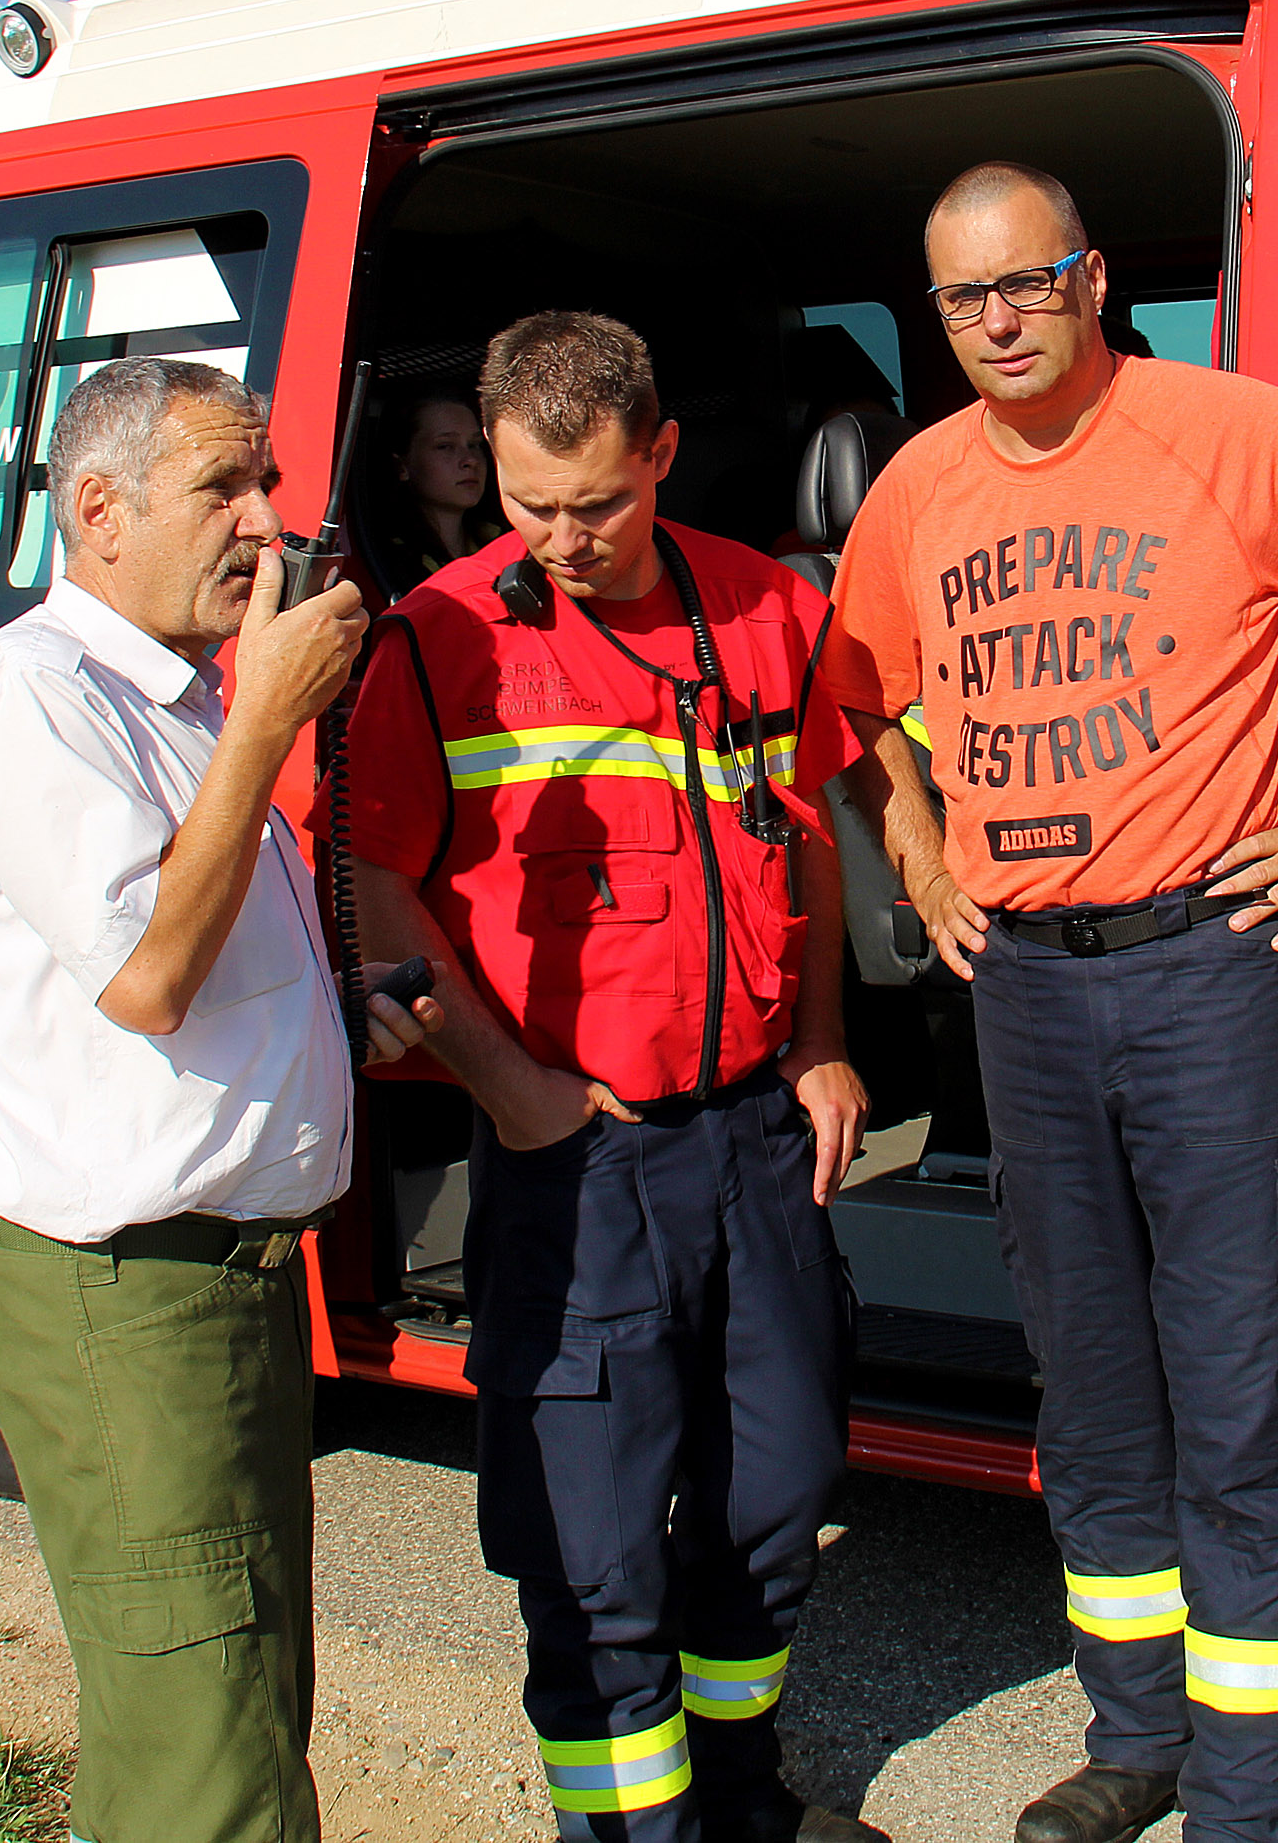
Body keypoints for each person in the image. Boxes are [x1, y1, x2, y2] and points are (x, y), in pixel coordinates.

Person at [821, 164, 1278, 1843]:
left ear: (1092, 277)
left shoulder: (1235, 432)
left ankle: (1265, 1804)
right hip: (1030, 995)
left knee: (1243, 1381)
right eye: (964, 297)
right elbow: (843, 708)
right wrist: (923, 864)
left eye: (1028, 280)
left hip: (1209, 970)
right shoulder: (919, 486)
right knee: (1093, 1384)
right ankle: (1138, 1734)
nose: (999, 318)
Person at [336, 312, 886, 1843]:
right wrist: (510, 1088)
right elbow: (380, 892)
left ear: (661, 453)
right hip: (578, 1157)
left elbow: (807, 841)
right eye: (527, 503)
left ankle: (737, 1798)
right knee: (591, 1556)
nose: (564, 539)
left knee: (772, 1503)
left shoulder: (770, 605)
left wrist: (828, 1040)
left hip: (756, 1140)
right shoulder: (438, 638)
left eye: (598, 501)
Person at [0, 355, 440, 1843]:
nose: (268, 522)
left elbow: (195, 988)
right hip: (124, 1292)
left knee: (239, 1706)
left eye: (263, 482)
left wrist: (340, 1015)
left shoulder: (174, 708)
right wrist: (269, 723)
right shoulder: (29, 696)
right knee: (207, 1748)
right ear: (97, 510)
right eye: (225, 487)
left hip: (221, 1284)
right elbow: (147, 973)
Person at [362, 385, 491, 590]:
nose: (470, 460)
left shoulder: (504, 541)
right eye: (445, 446)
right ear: (402, 466)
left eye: (474, 444)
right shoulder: (389, 562)